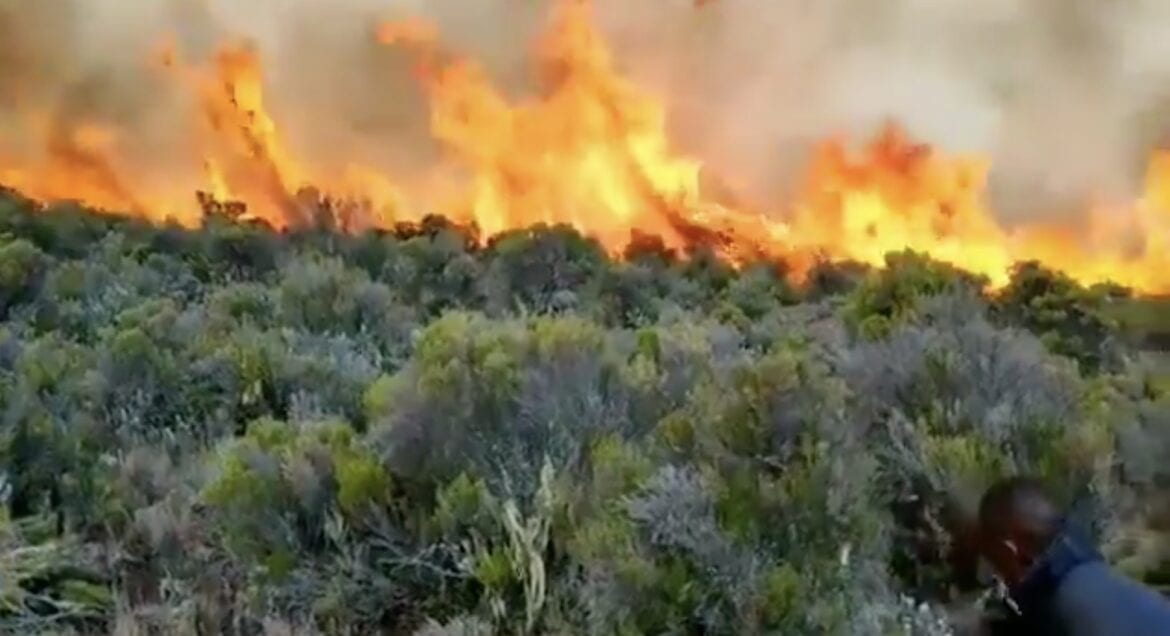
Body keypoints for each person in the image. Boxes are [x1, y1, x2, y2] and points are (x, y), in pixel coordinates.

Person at [974, 476, 1170, 635]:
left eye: (996, 563)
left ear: (1009, 550)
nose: (1000, 578)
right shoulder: (1095, 575)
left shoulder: (1060, 607)